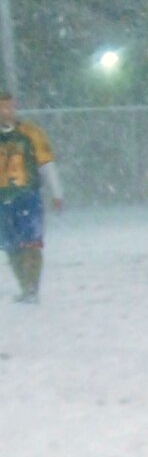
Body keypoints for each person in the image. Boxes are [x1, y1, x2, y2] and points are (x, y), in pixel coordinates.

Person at [0, 90, 62, 304]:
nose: (6, 112)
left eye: (9, 107)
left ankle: (33, 288)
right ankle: (24, 287)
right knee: (11, 247)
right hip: (2, 200)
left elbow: (46, 164)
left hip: (27, 197)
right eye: (2, 107)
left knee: (32, 244)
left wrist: (57, 192)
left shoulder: (30, 133)